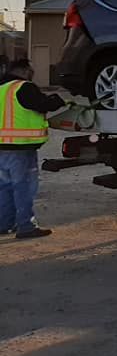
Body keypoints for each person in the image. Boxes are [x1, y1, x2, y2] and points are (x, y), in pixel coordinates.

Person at [0, 58, 65, 239]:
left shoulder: (1, 89)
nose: (32, 75)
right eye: (31, 71)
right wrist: (57, 101)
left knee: (5, 187)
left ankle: (4, 224)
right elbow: (42, 104)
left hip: (2, 148)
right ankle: (26, 227)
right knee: (24, 187)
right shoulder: (23, 87)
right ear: (24, 70)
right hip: (20, 148)